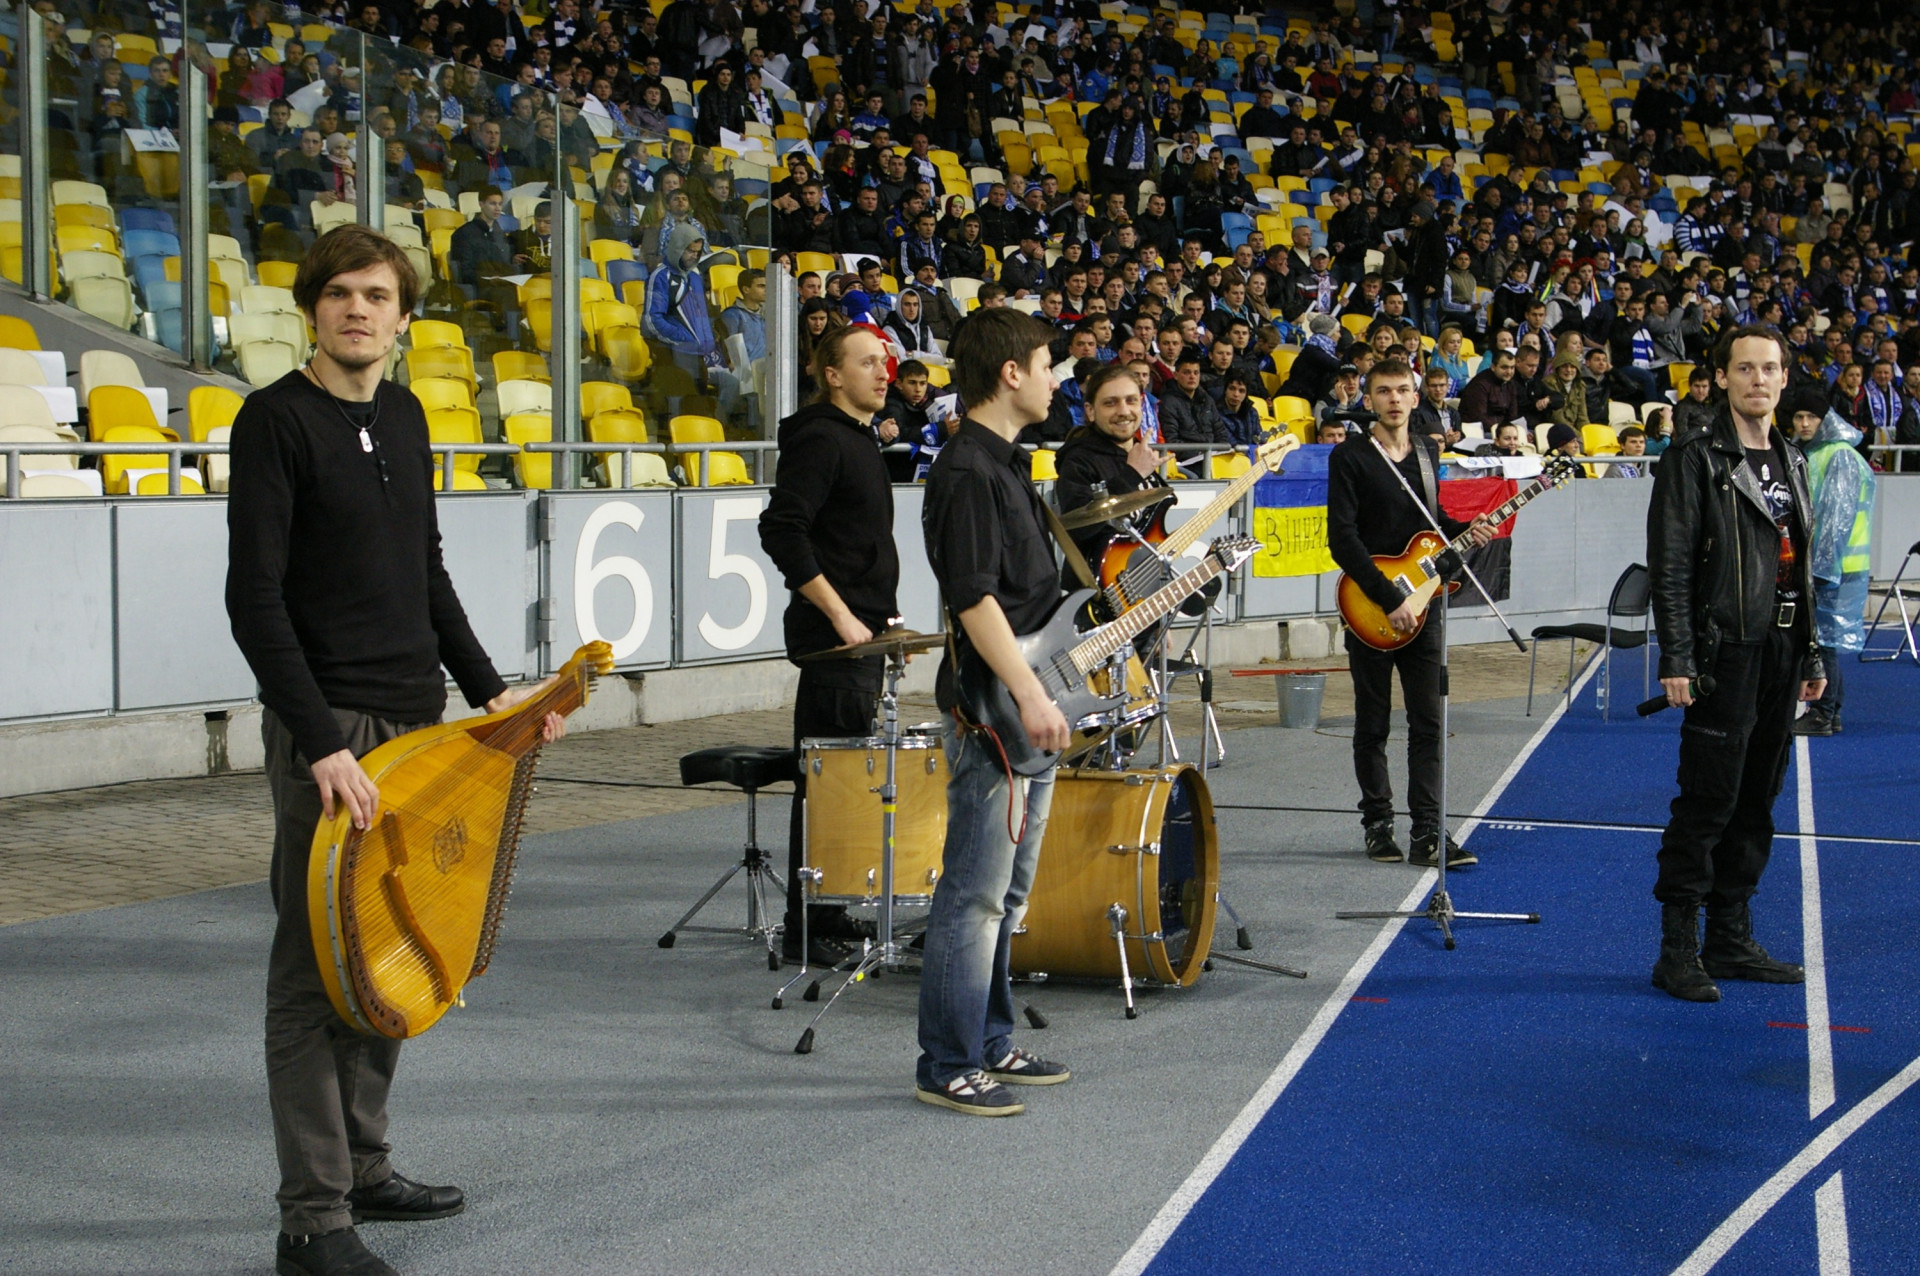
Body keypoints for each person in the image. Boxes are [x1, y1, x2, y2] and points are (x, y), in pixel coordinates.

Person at [225, 227, 564, 1276]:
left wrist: (491, 692)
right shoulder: (274, 421)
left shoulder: (408, 415)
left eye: (376, 294)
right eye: (339, 294)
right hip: (334, 737)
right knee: (309, 972)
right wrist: (320, 740)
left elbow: (427, 572)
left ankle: (368, 1166)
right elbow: (254, 599)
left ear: (403, 318)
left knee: (391, 954)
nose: (357, 310)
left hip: (418, 728)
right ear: (312, 310)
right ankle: (312, 1219)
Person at [917, 309, 1072, 1116]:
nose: (1056, 378)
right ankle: (946, 1061)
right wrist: (1032, 691)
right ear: (1010, 373)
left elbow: (1029, 598)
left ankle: (987, 1039)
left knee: (1004, 898)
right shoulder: (966, 471)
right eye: (1047, 364)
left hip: (1016, 710)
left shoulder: (1004, 465)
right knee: (973, 896)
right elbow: (973, 598)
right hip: (995, 715)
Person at [1646, 326, 1826, 1003]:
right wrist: (1678, 655)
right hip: (1725, 652)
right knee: (1708, 801)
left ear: (1784, 378)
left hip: (1781, 651)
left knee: (1757, 801)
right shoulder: (1694, 456)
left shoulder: (1794, 458)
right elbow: (1670, 566)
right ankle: (1677, 950)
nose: (1759, 379)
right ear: (1720, 377)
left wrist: (1810, 650)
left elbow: (1802, 567)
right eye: (1745, 368)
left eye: (1770, 369)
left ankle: (1729, 936)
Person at [757, 326, 901, 966]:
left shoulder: (859, 438)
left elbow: (852, 542)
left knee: (843, 783)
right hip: (835, 643)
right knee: (827, 785)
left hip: (865, 636)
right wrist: (843, 615)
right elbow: (782, 529)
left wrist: (882, 615)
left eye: (886, 362)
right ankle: (809, 927)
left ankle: (829, 915)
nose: (883, 372)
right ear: (832, 374)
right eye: (867, 362)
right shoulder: (820, 437)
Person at [1327, 358, 1495, 867]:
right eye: (1383, 391)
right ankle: (1378, 825)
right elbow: (1342, 541)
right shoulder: (1351, 457)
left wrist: (1467, 527)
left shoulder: (1426, 450)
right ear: (1369, 399)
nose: (1394, 399)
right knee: (1372, 723)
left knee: (1428, 722)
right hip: (1372, 607)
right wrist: (1388, 598)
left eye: (1403, 390)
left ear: (1416, 398)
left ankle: (1428, 832)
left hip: (1426, 604)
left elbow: (1430, 521)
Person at [1784, 387, 1874, 737]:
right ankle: (1829, 711)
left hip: (1835, 566)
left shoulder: (1837, 456)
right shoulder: (1820, 453)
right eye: (1799, 417)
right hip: (1835, 564)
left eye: (1811, 417)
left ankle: (1822, 712)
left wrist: (1822, 567)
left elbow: (1836, 518)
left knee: (1821, 641)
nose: (1804, 423)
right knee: (1825, 640)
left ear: (1825, 420)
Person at [1052, 362, 1168, 578]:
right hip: (1096, 594)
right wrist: (1131, 475)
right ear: (1090, 411)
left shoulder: (1139, 454)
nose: (1124, 411)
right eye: (1110, 403)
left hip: (1141, 585)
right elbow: (1078, 529)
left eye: (1131, 401)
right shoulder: (1078, 460)